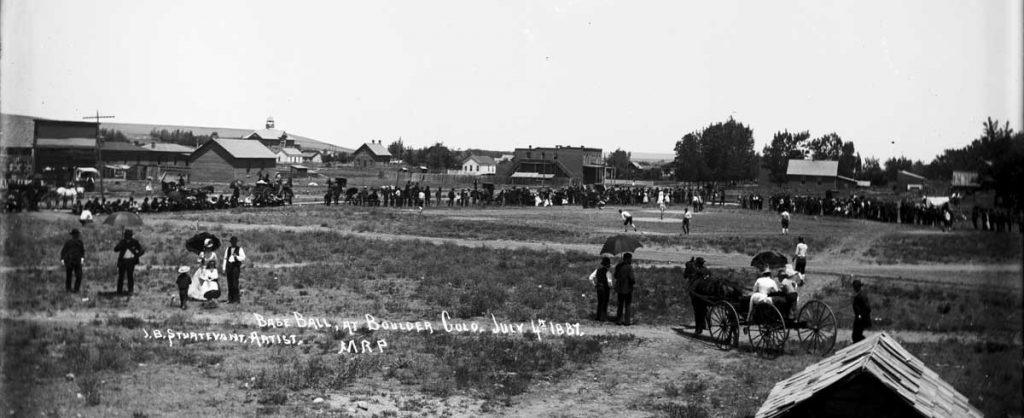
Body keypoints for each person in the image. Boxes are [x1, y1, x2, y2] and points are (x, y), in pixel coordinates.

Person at [113, 229, 145, 295]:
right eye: (126, 235)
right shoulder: (122, 242)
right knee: (121, 277)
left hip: (131, 261)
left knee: (130, 276)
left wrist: (137, 255)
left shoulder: (135, 242)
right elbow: (115, 249)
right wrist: (120, 244)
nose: (127, 237)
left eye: (128, 235)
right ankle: (119, 291)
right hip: (123, 261)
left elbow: (141, 250)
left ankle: (130, 290)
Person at [688, 257, 711, 335]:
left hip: (700, 294)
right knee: (706, 310)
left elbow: (694, 283)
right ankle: (706, 325)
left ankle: (698, 329)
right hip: (709, 293)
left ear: (697, 264)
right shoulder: (708, 270)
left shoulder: (698, 272)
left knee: (697, 311)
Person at [222, 236, 247, 304]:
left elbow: (243, 258)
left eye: (234, 242)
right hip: (229, 266)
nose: (233, 243)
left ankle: (236, 299)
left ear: (236, 242)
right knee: (229, 283)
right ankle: (230, 299)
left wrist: (236, 257)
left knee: (235, 283)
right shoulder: (228, 249)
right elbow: (225, 258)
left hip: (235, 267)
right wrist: (224, 268)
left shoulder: (240, 249)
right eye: (232, 242)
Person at [614, 253, 636, 325]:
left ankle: (619, 320)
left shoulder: (618, 266)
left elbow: (615, 276)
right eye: (630, 258)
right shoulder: (629, 267)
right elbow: (632, 278)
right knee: (627, 305)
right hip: (627, 289)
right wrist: (633, 283)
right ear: (627, 259)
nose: (631, 260)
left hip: (620, 288)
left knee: (620, 305)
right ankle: (627, 321)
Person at [60, 229, 85, 293]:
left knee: (74, 275)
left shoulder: (79, 242)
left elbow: (82, 251)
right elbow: (63, 251)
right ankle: (71, 289)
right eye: (76, 234)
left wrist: (82, 258)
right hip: (70, 260)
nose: (77, 236)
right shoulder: (70, 243)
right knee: (72, 276)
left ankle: (73, 289)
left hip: (74, 261)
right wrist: (62, 259)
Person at [590, 257, 614, 322]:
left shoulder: (597, 270)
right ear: (608, 264)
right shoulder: (608, 272)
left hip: (599, 288)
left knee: (600, 302)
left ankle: (598, 317)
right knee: (605, 303)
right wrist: (610, 286)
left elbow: (590, 278)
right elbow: (609, 282)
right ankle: (602, 318)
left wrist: (594, 284)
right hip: (605, 288)